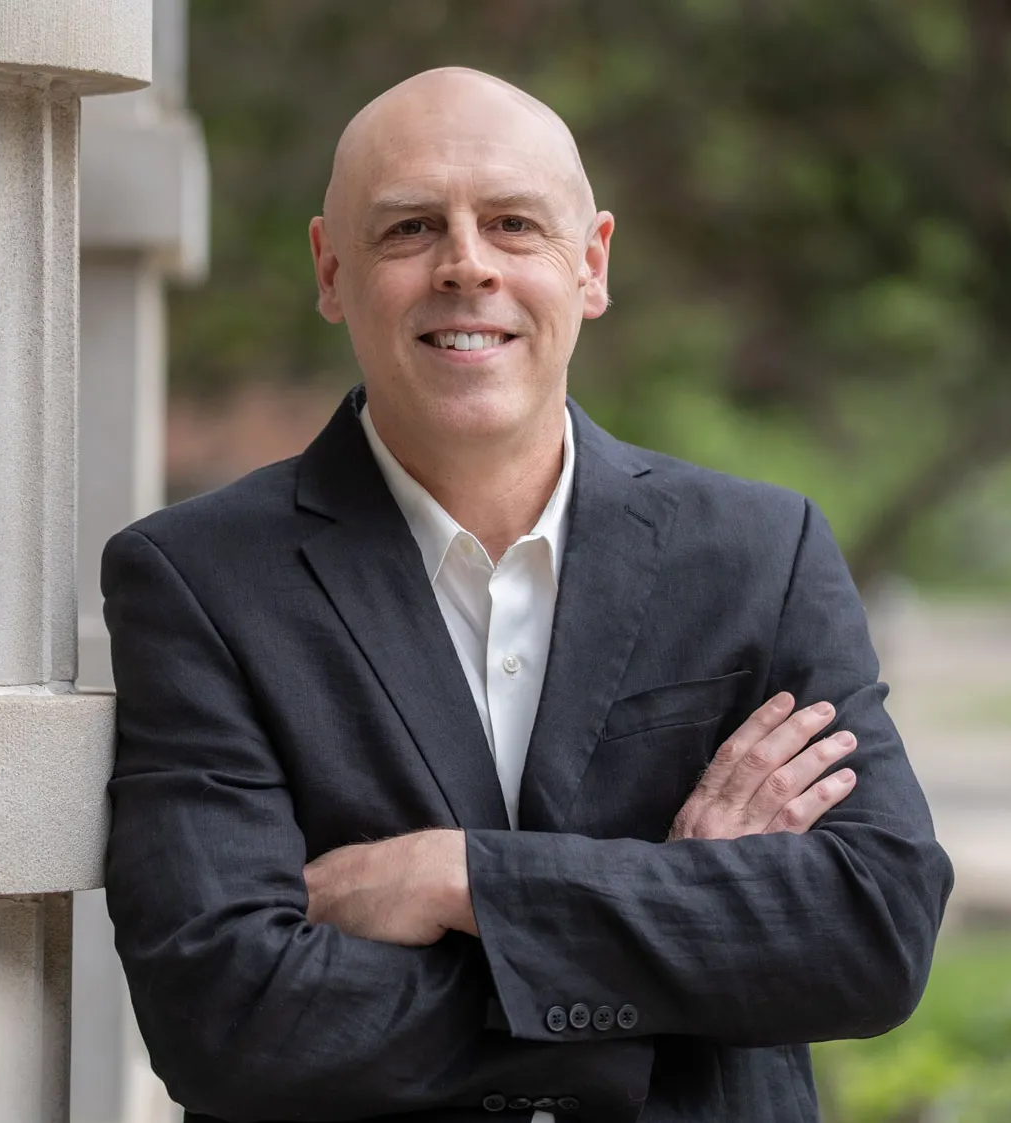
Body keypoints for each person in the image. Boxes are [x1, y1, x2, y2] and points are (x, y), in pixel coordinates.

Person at [99, 67, 953, 1123]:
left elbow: (873, 930)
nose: (466, 264)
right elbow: (227, 1018)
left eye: (511, 224)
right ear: (330, 270)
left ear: (590, 262)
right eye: (410, 228)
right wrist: (672, 924)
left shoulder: (757, 554)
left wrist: (454, 878)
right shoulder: (195, 580)